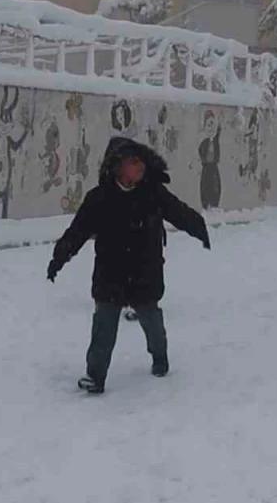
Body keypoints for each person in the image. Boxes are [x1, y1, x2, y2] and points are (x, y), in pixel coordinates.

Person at [46, 137, 211, 394]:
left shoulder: (154, 193)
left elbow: (180, 212)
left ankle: (160, 357)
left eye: (141, 161)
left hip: (145, 272)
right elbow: (77, 232)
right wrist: (59, 259)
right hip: (110, 274)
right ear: (117, 166)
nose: (140, 166)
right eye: (133, 162)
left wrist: (200, 230)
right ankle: (95, 376)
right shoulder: (99, 198)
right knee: (103, 326)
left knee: (151, 322)